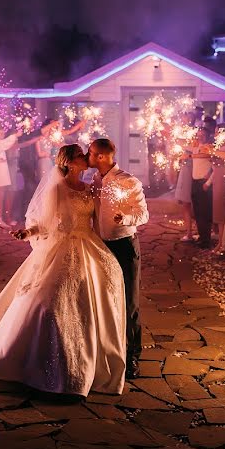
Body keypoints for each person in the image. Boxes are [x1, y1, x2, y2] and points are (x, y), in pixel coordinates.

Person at [0, 144, 127, 396]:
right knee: (50, 306)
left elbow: (99, 222)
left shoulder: (91, 189)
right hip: (63, 247)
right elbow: (43, 222)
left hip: (88, 246)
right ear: (69, 162)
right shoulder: (57, 189)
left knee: (92, 299)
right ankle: (38, 364)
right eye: (79, 155)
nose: (84, 158)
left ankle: (90, 362)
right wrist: (27, 232)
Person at [89, 137, 149, 380]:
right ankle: (107, 352)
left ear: (102, 157)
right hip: (101, 247)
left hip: (124, 246)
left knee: (130, 304)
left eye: (91, 153)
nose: (87, 156)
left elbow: (143, 214)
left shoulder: (127, 181)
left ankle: (133, 356)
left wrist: (124, 218)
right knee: (105, 302)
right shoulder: (94, 180)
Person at [0, 125, 23, 226]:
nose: (2, 135)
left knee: (1, 196)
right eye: (0, 133)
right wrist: (15, 135)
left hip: (2, 170)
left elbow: (7, 144)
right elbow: (6, 143)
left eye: (3, 133)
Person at [190, 128, 214, 248]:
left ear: (207, 135)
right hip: (195, 182)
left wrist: (208, 181)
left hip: (204, 183)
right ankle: (201, 236)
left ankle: (206, 240)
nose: (200, 137)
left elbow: (211, 163)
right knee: (197, 212)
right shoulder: (195, 146)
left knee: (204, 212)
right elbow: (180, 142)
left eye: (203, 135)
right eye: (199, 135)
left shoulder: (209, 147)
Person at [174, 134, 196, 241]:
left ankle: (190, 233)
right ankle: (189, 232)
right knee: (185, 205)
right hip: (185, 176)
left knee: (189, 205)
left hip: (191, 178)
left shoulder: (195, 148)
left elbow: (181, 142)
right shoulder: (188, 148)